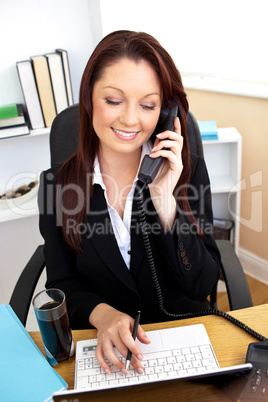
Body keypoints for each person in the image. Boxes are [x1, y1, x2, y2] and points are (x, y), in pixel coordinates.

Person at [38, 30, 221, 376]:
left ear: (166, 114)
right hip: (107, 353)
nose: (130, 119)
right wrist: (102, 313)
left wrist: (165, 200)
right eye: (113, 100)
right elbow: (61, 282)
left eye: (148, 105)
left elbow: (202, 284)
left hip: (180, 342)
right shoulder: (57, 185)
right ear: (90, 98)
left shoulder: (186, 169)